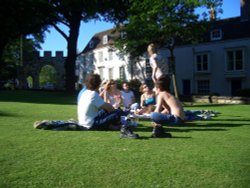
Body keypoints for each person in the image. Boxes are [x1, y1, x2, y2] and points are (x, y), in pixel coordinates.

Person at [77, 74, 139, 138]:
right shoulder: (93, 94)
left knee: (105, 111)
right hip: (90, 124)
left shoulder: (85, 93)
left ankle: (115, 126)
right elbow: (110, 108)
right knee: (118, 112)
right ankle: (125, 129)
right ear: (98, 84)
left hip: (83, 122)